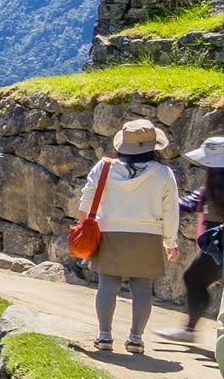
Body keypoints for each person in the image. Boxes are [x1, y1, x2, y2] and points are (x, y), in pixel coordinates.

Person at [74, 118, 181, 355]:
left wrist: (83, 227)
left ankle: (104, 336)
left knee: (107, 285)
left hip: (110, 231)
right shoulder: (163, 173)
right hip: (148, 234)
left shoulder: (104, 167)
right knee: (142, 288)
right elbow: (171, 210)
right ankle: (135, 339)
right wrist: (170, 242)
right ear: (153, 146)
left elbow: (86, 199)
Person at [156, 135, 224, 348]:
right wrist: (165, 206)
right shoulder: (215, 178)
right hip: (215, 242)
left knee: (194, 278)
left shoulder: (219, 179)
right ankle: (190, 330)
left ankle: (189, 331)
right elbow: (195, 200)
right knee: (195, 279)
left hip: (219, 242)